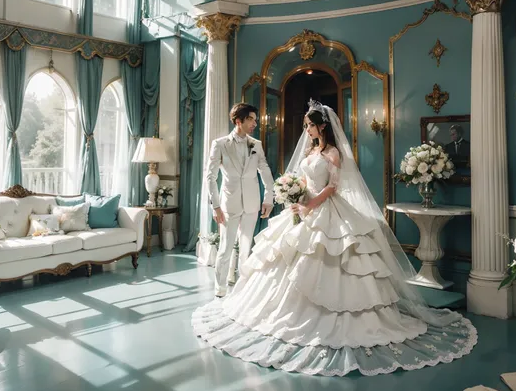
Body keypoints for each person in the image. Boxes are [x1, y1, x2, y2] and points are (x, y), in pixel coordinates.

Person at [192, 99, 477, 376]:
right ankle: (236, 292)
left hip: (326, 209)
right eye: (305, 127)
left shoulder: (333, 154)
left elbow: (332, 186)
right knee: (279, 255)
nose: (306, 131)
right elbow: (303, 180)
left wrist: (310, 204)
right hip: (296, 208)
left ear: (321, 127)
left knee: (333, 256)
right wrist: (295, 195)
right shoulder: (308, 155)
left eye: (309, 126)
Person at [205, 103, 274, 298]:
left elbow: (265, 170)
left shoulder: (256, 144)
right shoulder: (220, 144)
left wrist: (269, 197)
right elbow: (210, 177)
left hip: (252, 202)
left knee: (246, 247)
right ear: (238, 121)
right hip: (229, 204)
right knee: (225, 248)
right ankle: (220, 290)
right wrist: (216, 206)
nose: (255, 123)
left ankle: (243, 289)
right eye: (251, 119)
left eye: (255, 119)